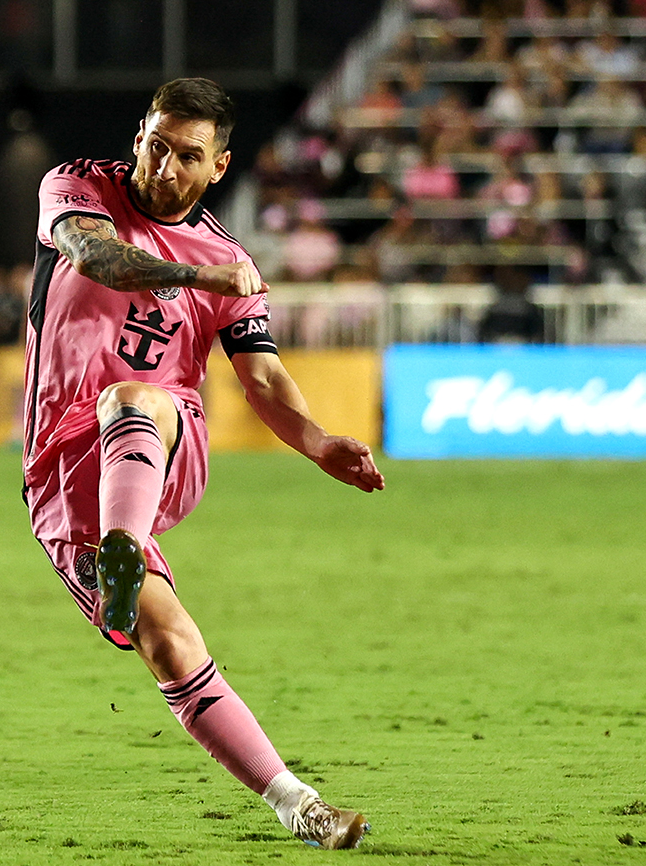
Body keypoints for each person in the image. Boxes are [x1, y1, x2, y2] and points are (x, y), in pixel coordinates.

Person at [24, 77, 384, 850]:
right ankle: (302, 806)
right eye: (157, 145)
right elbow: (96, 257)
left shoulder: (228, 258)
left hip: (164, 447)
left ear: (218, 166)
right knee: (171, 645)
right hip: (63, 474)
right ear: (138, 138)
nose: (165, 166)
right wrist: (195, 279)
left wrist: (319, 442)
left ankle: (124, 545)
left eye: (188, 155)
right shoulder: (79, 186)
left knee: (138, 397)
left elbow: (261, 376)